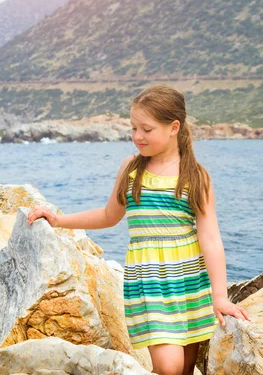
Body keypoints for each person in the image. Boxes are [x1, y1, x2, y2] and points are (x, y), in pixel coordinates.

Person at [27, 84, 251, 375]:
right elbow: (109, 215)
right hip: (149, 280)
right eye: (133, 128)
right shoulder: (131, 168)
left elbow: (210, 238)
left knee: (184, 369)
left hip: (189, 282)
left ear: (173, 127)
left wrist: (220, 297)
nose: (137, 137)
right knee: (168, 367)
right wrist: (59, 219)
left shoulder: (195, 175)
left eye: (146, 129)